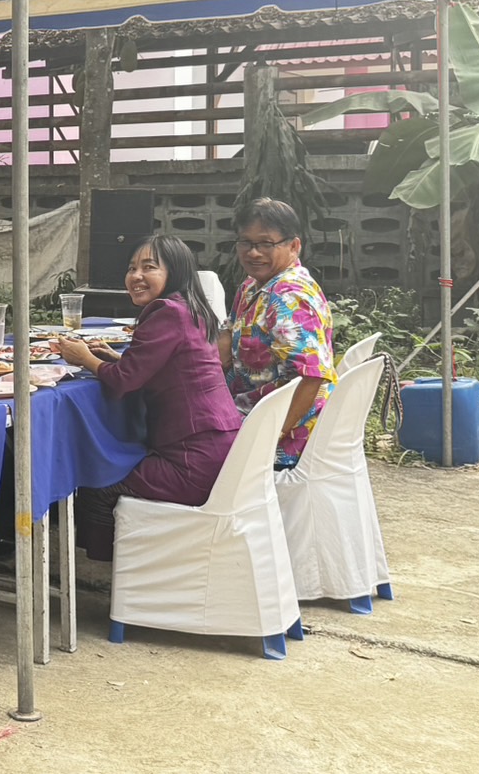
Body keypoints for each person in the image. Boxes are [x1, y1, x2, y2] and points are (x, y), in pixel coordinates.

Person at [57, 235, 242, 561]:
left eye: (149, 267)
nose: (135, 276)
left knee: (95, 483)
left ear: (177, 272)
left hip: (191, 462)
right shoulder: (192, 310)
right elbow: (163, 369)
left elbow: (124, 383)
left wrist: (85, 357)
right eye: (131, 268)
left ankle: (120, 572)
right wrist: (115, 357)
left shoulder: (165, 312)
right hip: (221, 452)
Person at [220, 198, 337, 468]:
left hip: (285, 434)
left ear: (294, 246)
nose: (253, 253)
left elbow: (312, 377)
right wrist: (222, 347)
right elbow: (230, 327)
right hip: (248, 409)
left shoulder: (289, 297)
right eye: (245, 243)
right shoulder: (253, 285)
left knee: (176, 444)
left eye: (266, 244)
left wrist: (272, 436)